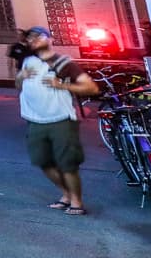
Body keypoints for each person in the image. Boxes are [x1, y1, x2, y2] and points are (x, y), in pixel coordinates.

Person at [13, 26, 98, 214]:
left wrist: (61, 85)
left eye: (38, 36)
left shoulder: (63, 63)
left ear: (50, 39)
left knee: (67, 164)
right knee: (43, 162)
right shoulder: (27, 61)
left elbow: (91, 88)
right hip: (34, 120)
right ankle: (66, 194)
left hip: (60, 119)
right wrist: (20, 77)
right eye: (30, 38)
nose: (33, 40)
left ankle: (76, 201)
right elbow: (18, 85)